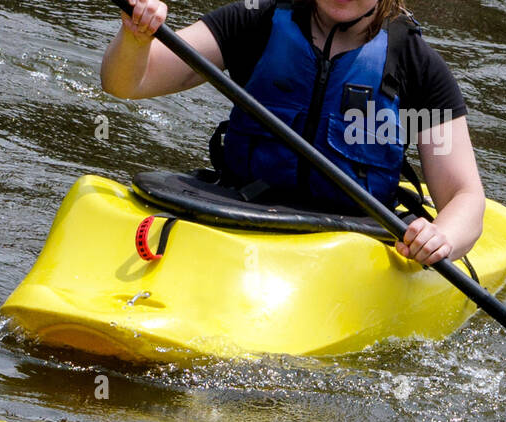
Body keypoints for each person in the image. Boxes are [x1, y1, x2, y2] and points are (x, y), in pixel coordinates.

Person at [101, 0, 485, 265]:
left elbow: (464, 196)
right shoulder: (256, 22)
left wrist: (441, 238)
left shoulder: (416, 65)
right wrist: (136, 39)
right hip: (237, 215)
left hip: (349, 243)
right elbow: (127, 83)